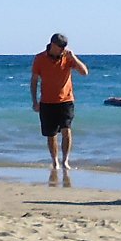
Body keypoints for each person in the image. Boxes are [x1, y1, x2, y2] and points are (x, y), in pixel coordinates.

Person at [28, 33, 88, 178]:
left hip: (66, 100)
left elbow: (84, 72)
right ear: (53, 45)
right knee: (51, 134)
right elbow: (34, 81)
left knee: (66, 130)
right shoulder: (40, 58)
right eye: (61, 47)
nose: (63, 50)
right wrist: (34, 101)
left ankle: (65, 160)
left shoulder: (67, 57)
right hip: (47, 102)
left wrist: (73, 57)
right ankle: (55, 161)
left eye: (64, 47)